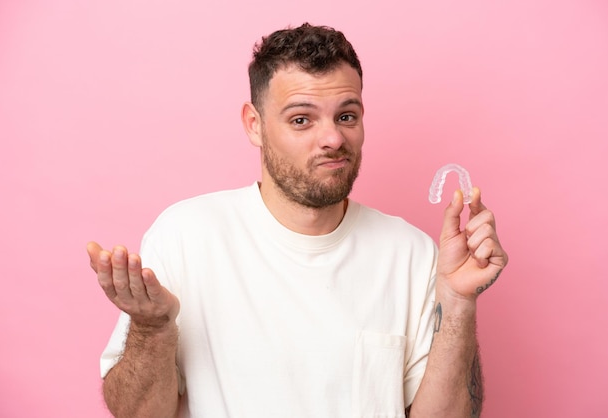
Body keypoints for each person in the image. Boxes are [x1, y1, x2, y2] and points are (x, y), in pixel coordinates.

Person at [87, 23, 508, 418]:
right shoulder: (186, 236)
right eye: (301, 119)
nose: (333, 139)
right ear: (255, 125)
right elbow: (139, 412)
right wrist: (153, 329)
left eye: (346, 116)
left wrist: (457, 302)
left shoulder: (411, 253)